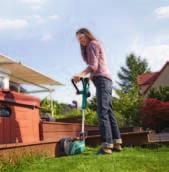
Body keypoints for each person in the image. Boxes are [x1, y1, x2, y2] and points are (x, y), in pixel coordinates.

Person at [73, 28, 122, 154]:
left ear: (87, 35)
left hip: (102, 80)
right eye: (78, 39)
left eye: (82, 37)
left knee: (102, 111)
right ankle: (117, 143)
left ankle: (107, 146)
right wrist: (88, 77)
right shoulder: (94, 45)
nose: (81, 40)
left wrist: (80, 74)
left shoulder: (92, 44)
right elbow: (97, 67)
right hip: (104, 79)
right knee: (108, 111)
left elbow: (93, 66)